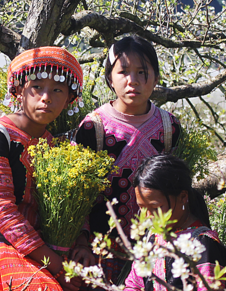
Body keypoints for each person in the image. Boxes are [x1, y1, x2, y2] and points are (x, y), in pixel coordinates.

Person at [0, 46, 85, 291]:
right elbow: (1, 212)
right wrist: (57, 266)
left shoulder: (53, 146)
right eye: (37, 87)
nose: (46, 97)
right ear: (18, 91)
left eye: (58, 89)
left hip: (39, 250)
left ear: (69, 99)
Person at [71, 35, 182, 281]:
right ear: (110, 78)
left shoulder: (169, 127)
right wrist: (81, 241)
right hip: (101, 249)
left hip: (154, 247)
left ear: (156, 77)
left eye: (142, 72)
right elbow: (78, 193)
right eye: (123, 72)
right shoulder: (94, 128)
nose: (133, 81)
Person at [125, 154, 226, 291]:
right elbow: (133, 285)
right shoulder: (152, 237)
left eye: (155, 208)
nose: (148, 216)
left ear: (183, 197)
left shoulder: (203, 244)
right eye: (142, 207)